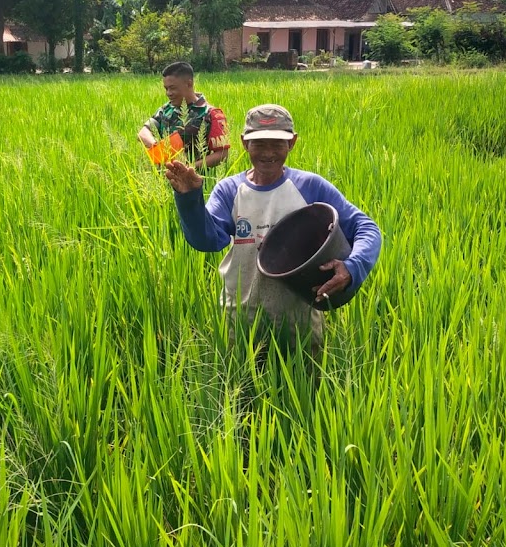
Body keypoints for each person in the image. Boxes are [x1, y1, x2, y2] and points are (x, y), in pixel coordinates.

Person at [163, 103, 381, 361]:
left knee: (302, 394)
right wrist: (189, 200)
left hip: (298, 322)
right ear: (244, 143)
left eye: (277, 143)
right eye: (259, 143)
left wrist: (353, 267)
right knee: (241, 395)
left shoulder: (310, 187)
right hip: (241, 321)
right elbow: (207, 240)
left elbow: (366, 228)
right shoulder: (229, 190)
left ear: (292, 142)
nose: (268, 153)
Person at [137, 61, 229, 171]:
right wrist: (157, 147)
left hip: (195, 181)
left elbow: (222, 154)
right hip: (164, 178)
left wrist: (189, 168)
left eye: (173, 88)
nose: (168, 93)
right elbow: (143, 132)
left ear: (189, 84)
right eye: (166, 89)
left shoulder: (211, 114)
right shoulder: (166, 109)